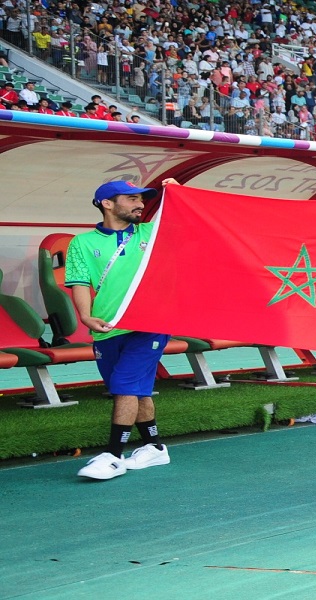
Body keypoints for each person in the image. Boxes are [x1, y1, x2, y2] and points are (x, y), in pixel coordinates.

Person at [67, 179, 175, 480]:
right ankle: (154, 447)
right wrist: (86, 317)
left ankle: (113, 456)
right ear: (107, 204)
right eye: (131, 198)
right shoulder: (82, 243)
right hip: (106, 328)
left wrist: (179, 192)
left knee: (125, 384)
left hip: (150, 325)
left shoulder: (151, 233)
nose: (140, 203)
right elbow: (79, 282)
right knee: (134, 388)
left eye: (141, 199)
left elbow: (186, 221)